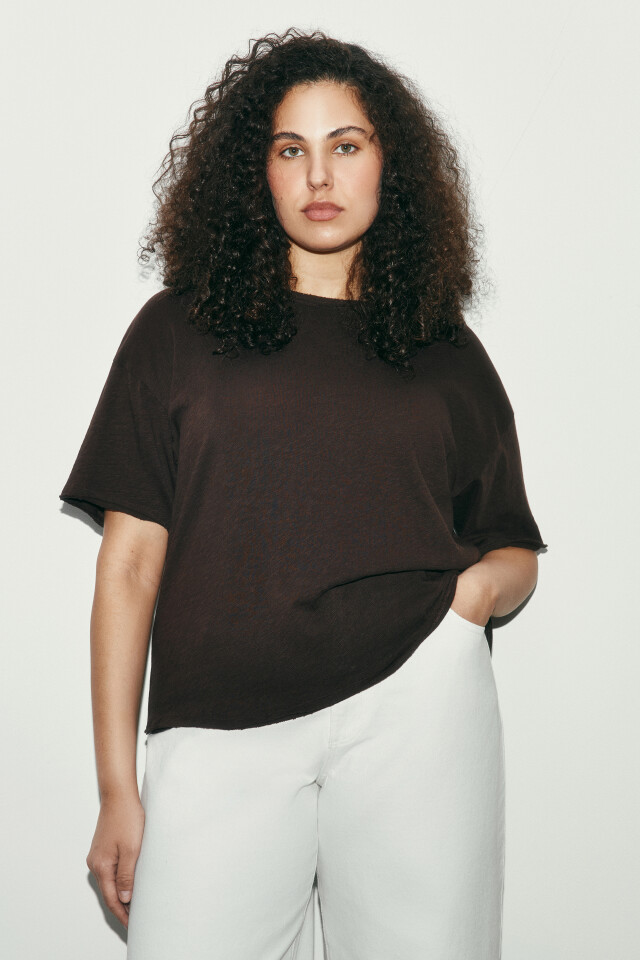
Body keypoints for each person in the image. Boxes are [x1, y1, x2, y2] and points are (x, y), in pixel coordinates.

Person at [59, 28, 547, 960]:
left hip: (417, 708)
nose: (319, 175)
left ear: (389, 165)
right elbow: (127, 567)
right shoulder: (178, 331)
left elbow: (512, 544)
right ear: (259, 171)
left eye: (346, 145)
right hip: (218, 723)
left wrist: (472, 602)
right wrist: (118, 788)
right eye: (291, 149)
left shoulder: (445, 349)